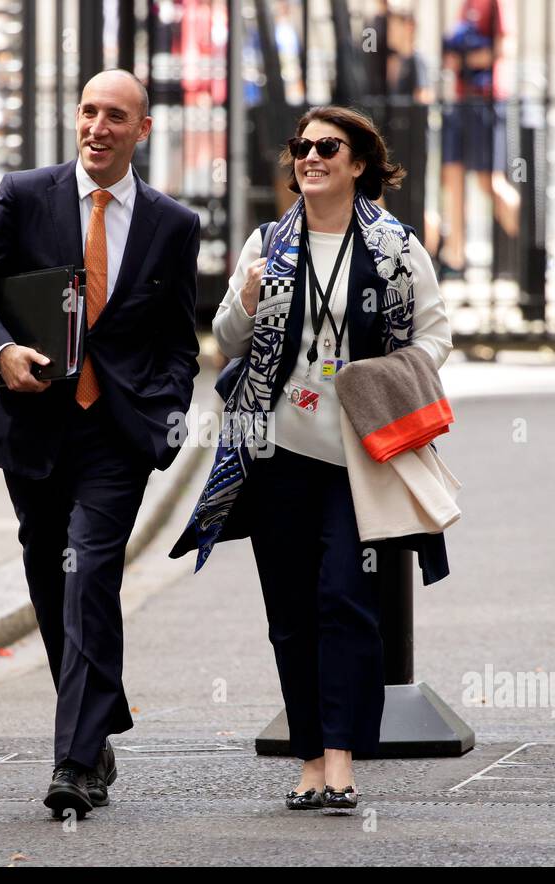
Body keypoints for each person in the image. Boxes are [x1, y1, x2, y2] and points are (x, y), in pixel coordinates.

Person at [170, 105, 453, 813]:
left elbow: (436, 337)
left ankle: (342, 755)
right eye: (301, 147)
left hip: (359, 456)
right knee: (290, 609)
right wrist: (245, 296)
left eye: (327, 147)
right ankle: (307, 757)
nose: (310, 158)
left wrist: (382, 381)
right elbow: (228, 342)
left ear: (358, 162)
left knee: (343, 600)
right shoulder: (269, 242)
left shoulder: (395, 248)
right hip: (277, 450)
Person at [0, 69, 201, 820]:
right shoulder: (26, 194)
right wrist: (1, 353)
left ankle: (75, 763)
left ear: (141, 131)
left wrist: (164, 416)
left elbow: (180, 342)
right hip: (34, 427)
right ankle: (97, 717)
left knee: (92, 578)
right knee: (53, 586)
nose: (97, 127)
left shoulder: (172, 225)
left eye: (115, 116)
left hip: (117, 436)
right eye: (88, 111)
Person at [438, 0, 520, 280]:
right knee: (453, 176)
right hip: (460, 100)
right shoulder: (466, 4)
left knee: (490, 182)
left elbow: (505, 48)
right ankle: (455, 257)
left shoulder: (497, 3)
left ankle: (533, 249)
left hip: (486, 99)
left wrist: (467, 59)